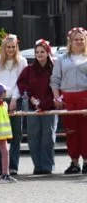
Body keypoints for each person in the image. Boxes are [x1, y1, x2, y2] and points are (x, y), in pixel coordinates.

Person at [0, 34, 27, 175]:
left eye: (13, 47)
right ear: (3, 48)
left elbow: (22, 82)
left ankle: (13, 166)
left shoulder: (22, 61)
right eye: (8, 47)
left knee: (16, 134)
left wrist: (15, 99)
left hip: (16, 99)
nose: (10, 50)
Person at [17, 39, 56, 175]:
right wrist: (32, 99)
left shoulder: (54, 68)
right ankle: (37, 166)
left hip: (49, 108)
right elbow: (22, 84)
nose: (39, 54)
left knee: (48, 137)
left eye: (42, 52)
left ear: (47, 53)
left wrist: (44, 103)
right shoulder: (29, 70)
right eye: (37, 52)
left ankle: (47, 166)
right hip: (33, 108)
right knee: (33, 137)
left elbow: (55, 87)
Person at [51, 27, 87, 174]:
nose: (79, 42)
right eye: (76, 39)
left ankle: (86, 161)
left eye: (82, 39)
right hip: (68, 98)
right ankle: (74, 162)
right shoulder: (61, 60)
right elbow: (54, 81)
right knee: (71, 132)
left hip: (85, 97)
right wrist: (57, 98)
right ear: (70, 42)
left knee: (85, 131)